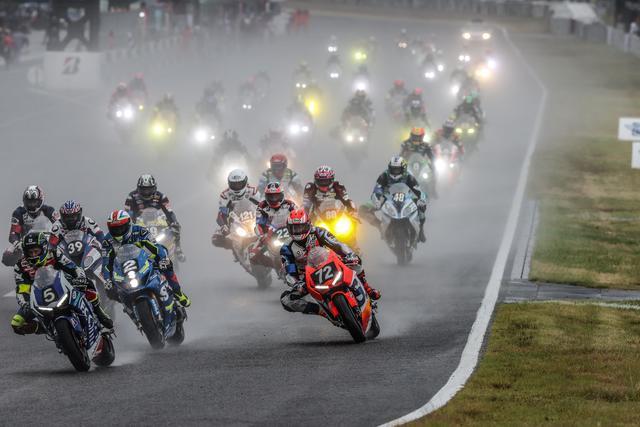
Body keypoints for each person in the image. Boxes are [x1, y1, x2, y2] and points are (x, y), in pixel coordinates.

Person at [279, 209, 380, 316]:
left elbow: (338, 244)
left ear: (308, 224)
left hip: (331, 264)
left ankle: (367, 289)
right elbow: (289, 272)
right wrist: (297, 284)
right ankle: (322, 311)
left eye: (300, 227)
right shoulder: (286, 248)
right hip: (309, 278)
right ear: (288, 228)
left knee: (356, 261)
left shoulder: (319, 232)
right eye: (294, 228)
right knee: (286, 299)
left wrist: (349, 254)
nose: (298, 231)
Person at [11, 231, 113, 335]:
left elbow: (73, 268)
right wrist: (24, 303)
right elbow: (21, 289)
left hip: (63, 286)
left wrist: (80, 277)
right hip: (39, 297)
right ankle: (45, 329)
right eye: (30, 252)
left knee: (87, 283)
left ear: (44, 248)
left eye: (36, 251)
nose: (33, 255)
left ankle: (99, 312)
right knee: (16, 323)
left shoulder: (54, 253)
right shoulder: (20, 266)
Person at [102, 210, 191, 307]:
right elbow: (106, 263)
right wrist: (107, 280)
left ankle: (178, 292)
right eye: (115, 229)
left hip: (144, 260)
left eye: (121, 228)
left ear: (129, 224)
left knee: (167, 265)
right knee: (110, 291)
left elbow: (156, 246)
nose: (118, 232)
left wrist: (162, 258)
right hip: (123, 268)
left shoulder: (140, 230)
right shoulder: (107, 240)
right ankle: (128, 307)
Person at [360, 156, 428, 243]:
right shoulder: (384, 176)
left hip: (407, 196)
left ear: (403, 168)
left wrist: (421, 200)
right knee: (362, 209)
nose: (395, 172)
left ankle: (421, 229)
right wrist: (376, 200)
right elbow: (377, 190)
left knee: (422, 207)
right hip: (387, 197)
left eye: (398, 169)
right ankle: (379, 226)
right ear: (389, 168)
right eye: (393, 169)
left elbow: (419, 191)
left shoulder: (409, 176)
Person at [124, 174, 186, 262]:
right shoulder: (132, 196)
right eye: (143, 189)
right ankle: (126, 254)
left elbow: (169, 212)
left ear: (154, 188)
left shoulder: (161, 196)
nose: (146, 192)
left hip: (158, 222)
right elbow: (127, 213)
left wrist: (173, 222)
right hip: (140, 224)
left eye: (149, 189)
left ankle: (178, 249)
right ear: (138, 188)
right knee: (125, 232)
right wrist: (130, 224)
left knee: (176, 226)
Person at [249, 182, 296, 271]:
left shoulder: (290, 204)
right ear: (266, 196)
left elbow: (298, 217)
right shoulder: (262, 206)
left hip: (289, 230)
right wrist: (262, 236)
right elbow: (259, 224)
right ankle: (274, 265)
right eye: (271, 196)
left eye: (276, 196)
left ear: (282, 195)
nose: (274, 199)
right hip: (270, 233)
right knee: (253, 255)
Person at [211, 169, 259, 249]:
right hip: (235, 219)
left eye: (239, 184)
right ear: (229, 184)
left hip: (252, 216)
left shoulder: (253, 190)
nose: (237, 187)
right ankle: (233, 245)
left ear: (245, 182)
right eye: (234, 185)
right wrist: (223, 226)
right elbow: (221, 212)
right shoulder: (225, 195)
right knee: (217, 238)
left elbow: (263, 204)